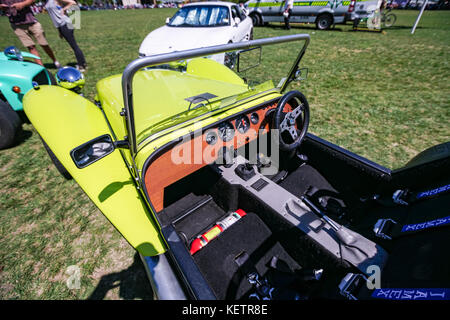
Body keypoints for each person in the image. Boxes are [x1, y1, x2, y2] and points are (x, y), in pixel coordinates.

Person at [0, 0, 60, 67]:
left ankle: (55, 61)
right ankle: (41, 67)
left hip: (31, 21)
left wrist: (23, 4)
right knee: (31, 46)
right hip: (16, 25)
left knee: (44, 44)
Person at [44, 0, 87, 72]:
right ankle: (82, 63)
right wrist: (59, 31)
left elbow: (73, 2)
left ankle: (81, 66)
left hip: (65, 24)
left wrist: (64, 9)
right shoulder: (47, 1)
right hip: (61, 26)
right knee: (73, 45)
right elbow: (54, 18)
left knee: (74, 45)